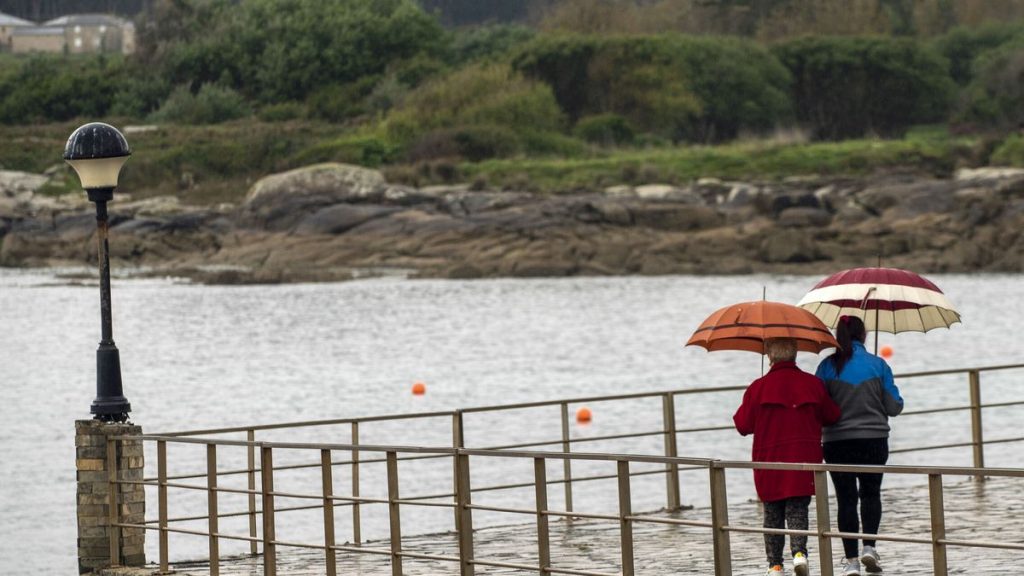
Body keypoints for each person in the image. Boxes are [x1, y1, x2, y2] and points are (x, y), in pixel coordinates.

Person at [735, 338, 841, 576]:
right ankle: (799, 554)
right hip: (803, 458)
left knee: (772, 514)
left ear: (770, 357)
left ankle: (774, 565)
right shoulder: (812, 384)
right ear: (795, 355)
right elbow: (832, 415)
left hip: (769, 460)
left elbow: (742, 425)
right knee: (798, 509)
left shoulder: (758, 387)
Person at [815, 315, 903, 576]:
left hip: (836, 442)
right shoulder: (878, 365)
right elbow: (894, 407)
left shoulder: (826, 367)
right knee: (870, 493)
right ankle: (869, 547)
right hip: (873, 440)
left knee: (845, 499)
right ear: (863, 336)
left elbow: (820, 407)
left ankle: (851, 561)